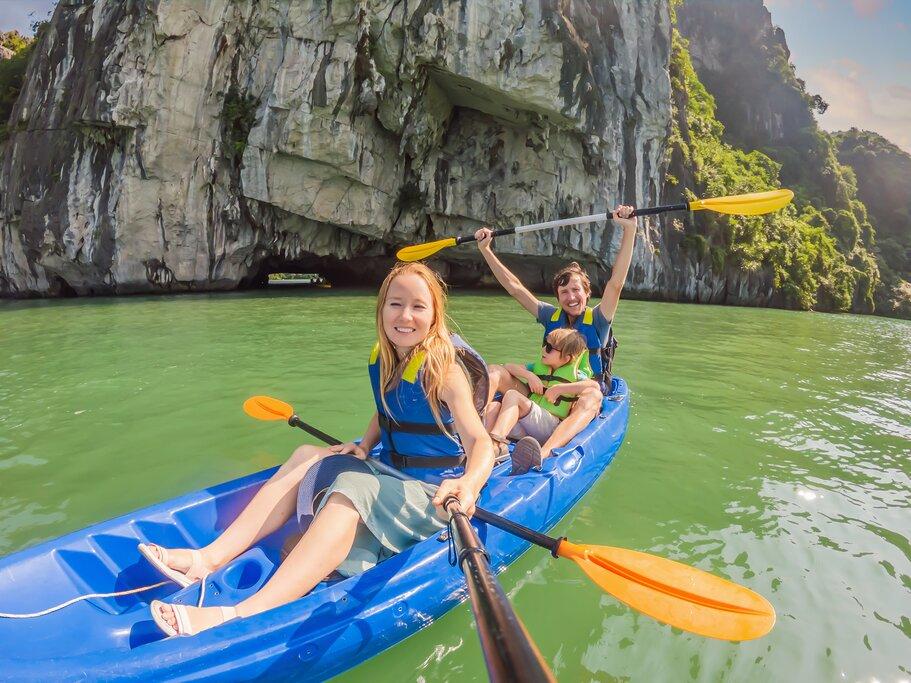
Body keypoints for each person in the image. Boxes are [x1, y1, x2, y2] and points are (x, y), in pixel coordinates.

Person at [141, 262, 495, 636]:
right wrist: (364, 445)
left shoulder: (445, 370)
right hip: (390, 473)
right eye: (396, 303)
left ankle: (245, 614)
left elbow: (479, 441)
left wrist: (469, 484)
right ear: (381, 309)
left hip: (431, 497)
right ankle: (207, 559)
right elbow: (387, 409)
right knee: (308, 454)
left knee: (352, 489)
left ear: (434, 315)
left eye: (418, 306)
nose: (405, 316)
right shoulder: (386, 357)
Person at [474, 205, 638, 459]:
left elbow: (616, 283)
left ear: (587, 293)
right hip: (540, 391)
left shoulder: (598, 320)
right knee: (495, 370)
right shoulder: (550, 316)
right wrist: (486, 251)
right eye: (564, 292)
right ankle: (469, 429)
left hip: (576, 394)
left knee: (592, 396)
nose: (571, 297)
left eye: (576, 291)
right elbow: (515, 288)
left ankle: (546, 450)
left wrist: (630, 229)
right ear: (558, 297)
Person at [486, 328, 599, 474]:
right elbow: (508, 367)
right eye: (545, 344)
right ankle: (488, 449)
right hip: (529, 425)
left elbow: (594, 386)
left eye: (550, 348)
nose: (544, 349)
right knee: (494, 407)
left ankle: (496, 444)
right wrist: (529, 375)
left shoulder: (577, 375)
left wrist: (560, 389)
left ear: (566, 358)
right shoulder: (538, 367)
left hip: (549, 426)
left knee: (512, 396)